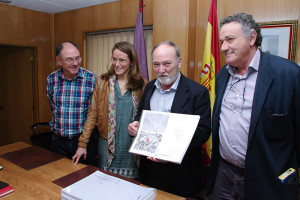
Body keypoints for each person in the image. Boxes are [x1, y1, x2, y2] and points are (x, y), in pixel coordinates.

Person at [206, 13, 300, 200]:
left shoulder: (289, 75)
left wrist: (285, 178)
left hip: (267, 179)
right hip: (224, 174)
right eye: (222, 41)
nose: (223, 47)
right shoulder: (222, 76)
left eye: (230, 40)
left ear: (252, 38)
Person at [128, 40, 211, 198]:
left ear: (179, 62)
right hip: (150, 171)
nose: (161, 70)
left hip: (181, 173)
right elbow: (141, 114)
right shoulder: (150, 87)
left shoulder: (197, 92)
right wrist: (136, 125)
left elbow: (203, 132)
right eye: (156, 65)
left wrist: (169, 151)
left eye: (167, 64)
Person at [72, 41, 146, 180]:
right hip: (107, 147)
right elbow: (92, 115)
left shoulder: (142, 85)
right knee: (106, 184)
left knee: (130, 188)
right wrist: (82, 144)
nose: (117, 64)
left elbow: (145, 117)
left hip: (131, 148)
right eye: (114, 59)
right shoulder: (102, 82)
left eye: (122, 60)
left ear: (131, 62)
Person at [46, 41, 98, 166]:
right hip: (58, 141)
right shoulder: (51, 79)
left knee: (85, 179)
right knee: (58, 178)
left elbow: (94, 113)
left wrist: (83, 143)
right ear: (59, 60)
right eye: (69, 59)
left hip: (83, 141)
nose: (75, 63)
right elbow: (53, 106)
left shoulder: (91, 79)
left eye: (77, 58)